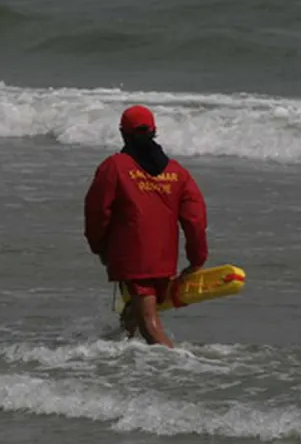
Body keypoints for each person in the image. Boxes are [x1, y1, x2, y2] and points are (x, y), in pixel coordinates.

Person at [83, 105, 208, 348]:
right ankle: (126, 364)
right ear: (154, 132)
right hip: (164, 260)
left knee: (150, 326)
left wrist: (99, 247)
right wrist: (196, 259)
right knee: (133, 314)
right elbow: (195, 219)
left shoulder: (115, 166)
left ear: (123, 133)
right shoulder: (177, 172)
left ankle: (180, 369)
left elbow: (97, 211)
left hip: (131, 259)